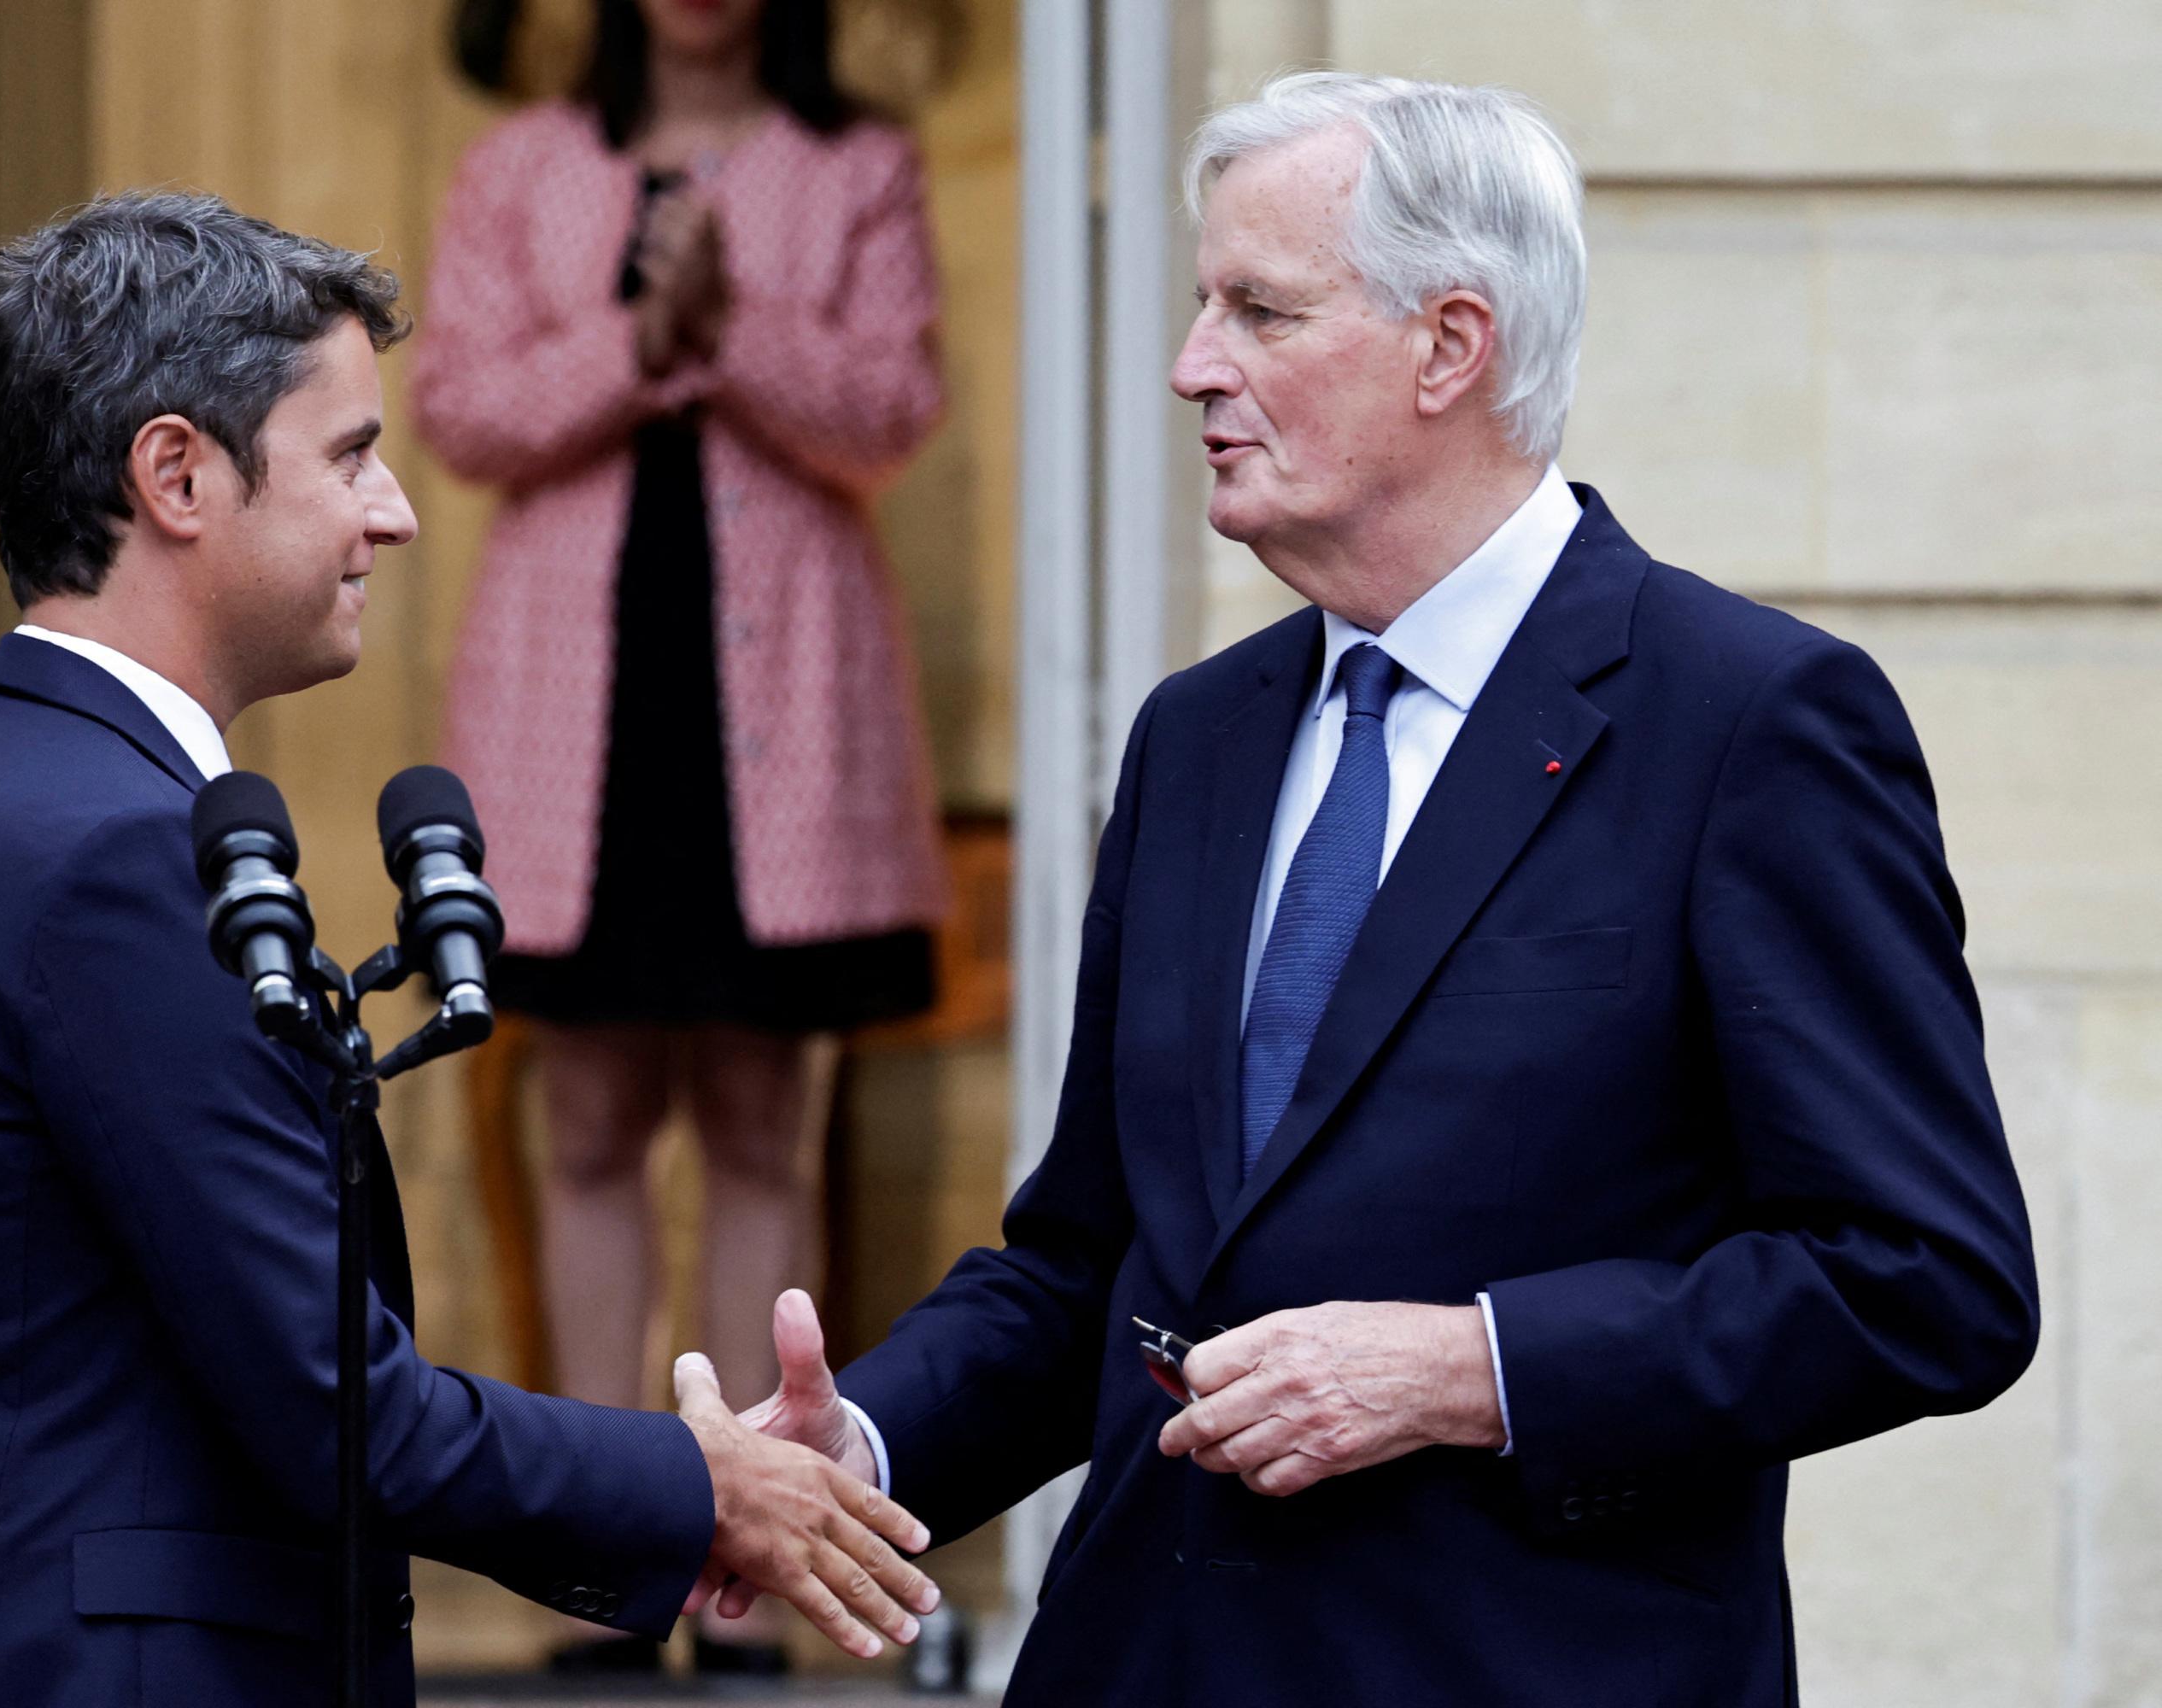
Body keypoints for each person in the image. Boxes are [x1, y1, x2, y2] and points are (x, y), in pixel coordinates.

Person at [709, 73, 2041, 1705]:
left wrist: (1476, 1367)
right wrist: (858, 1438)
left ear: (1449, 345)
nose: (1195, 364)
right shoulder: (1199, 736)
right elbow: (1095, 1265)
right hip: (1152, 1658)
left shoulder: (1748, 720)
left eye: (1260, 311)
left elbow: (1925, 1278)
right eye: (1206, 306)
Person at [0, 190, 937, 1708]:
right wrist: (703, 1488)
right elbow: (342, 1407)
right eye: (348, 455)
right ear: (177, 476)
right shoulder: (111, 857)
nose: (396, 513)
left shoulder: (2, 801)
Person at [410, 0, 946, 1673]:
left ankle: (763, 1566)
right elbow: (462, 411)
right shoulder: (521, 164)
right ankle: (602, 1557)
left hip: (778, 699)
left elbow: (888, 408)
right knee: (584, 1115)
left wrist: (735, 322)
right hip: (580, 698)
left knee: (760, 1117)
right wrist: (644, 338)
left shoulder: (859, 163)